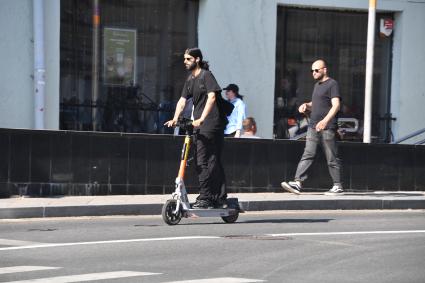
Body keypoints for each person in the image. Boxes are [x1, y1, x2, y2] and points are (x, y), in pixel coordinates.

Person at [164, 47, 227, 208]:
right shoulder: (191, 79)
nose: (185, 62)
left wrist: (202, 118)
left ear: (197, 59)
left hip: (212, 122)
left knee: (206, 161)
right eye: (184, 59)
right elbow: (182, 100)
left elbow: (212, 97)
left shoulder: (206, 76)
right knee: (202, 161)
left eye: (188, 59)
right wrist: (175, 118)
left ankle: (208, 197)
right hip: (198, 124)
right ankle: (212, 196)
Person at [281, 59, 343, 195]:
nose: (313, 73)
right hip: (313, 126)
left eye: (316, 70)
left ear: (324, 70)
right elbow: (316, 103)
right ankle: (297, 182)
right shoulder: (317, 86)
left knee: (331, 156)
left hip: (327, 127)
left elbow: (336, 105)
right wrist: (307, 105)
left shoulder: (332, 84)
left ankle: (337, 186)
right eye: (312, 71)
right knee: (308, 154)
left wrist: (325, 121)